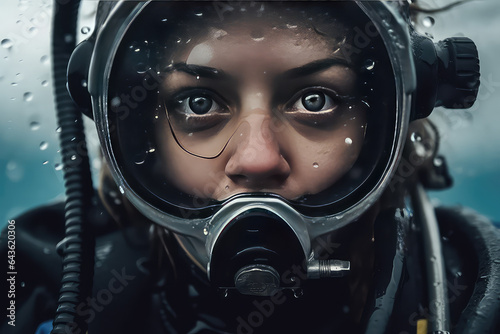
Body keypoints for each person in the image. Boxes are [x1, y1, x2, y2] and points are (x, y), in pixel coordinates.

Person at [1, 1, 499, 334]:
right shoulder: (30, 280)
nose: (258, 160)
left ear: (383, 116)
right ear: (136, 131)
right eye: (198, 104)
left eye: (315, 98)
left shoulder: (475, 285)